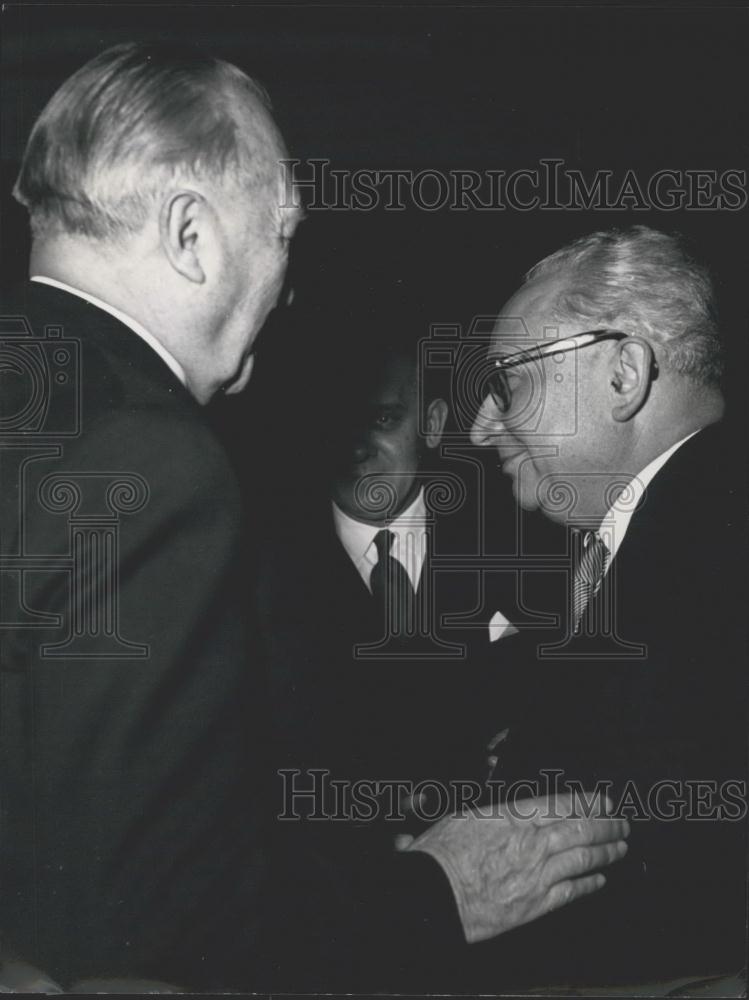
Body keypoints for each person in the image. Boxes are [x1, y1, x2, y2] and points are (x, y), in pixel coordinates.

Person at [0, 41, 300, 989]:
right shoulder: (155, 460)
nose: (290, 287)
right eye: (284, 231)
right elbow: (139, 931)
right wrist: (428, 892)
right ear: (191, 236)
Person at [255, 302, 631, 991]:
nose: (358, 446)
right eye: (338, 423)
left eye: (382, 419)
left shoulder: (527, 529)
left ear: (429, 424)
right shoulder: (256, 568)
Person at [469, 225, 747, 986]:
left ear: (623, 373)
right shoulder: (666, 538)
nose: (480, 426)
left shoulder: (713, 548)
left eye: (508, 381)